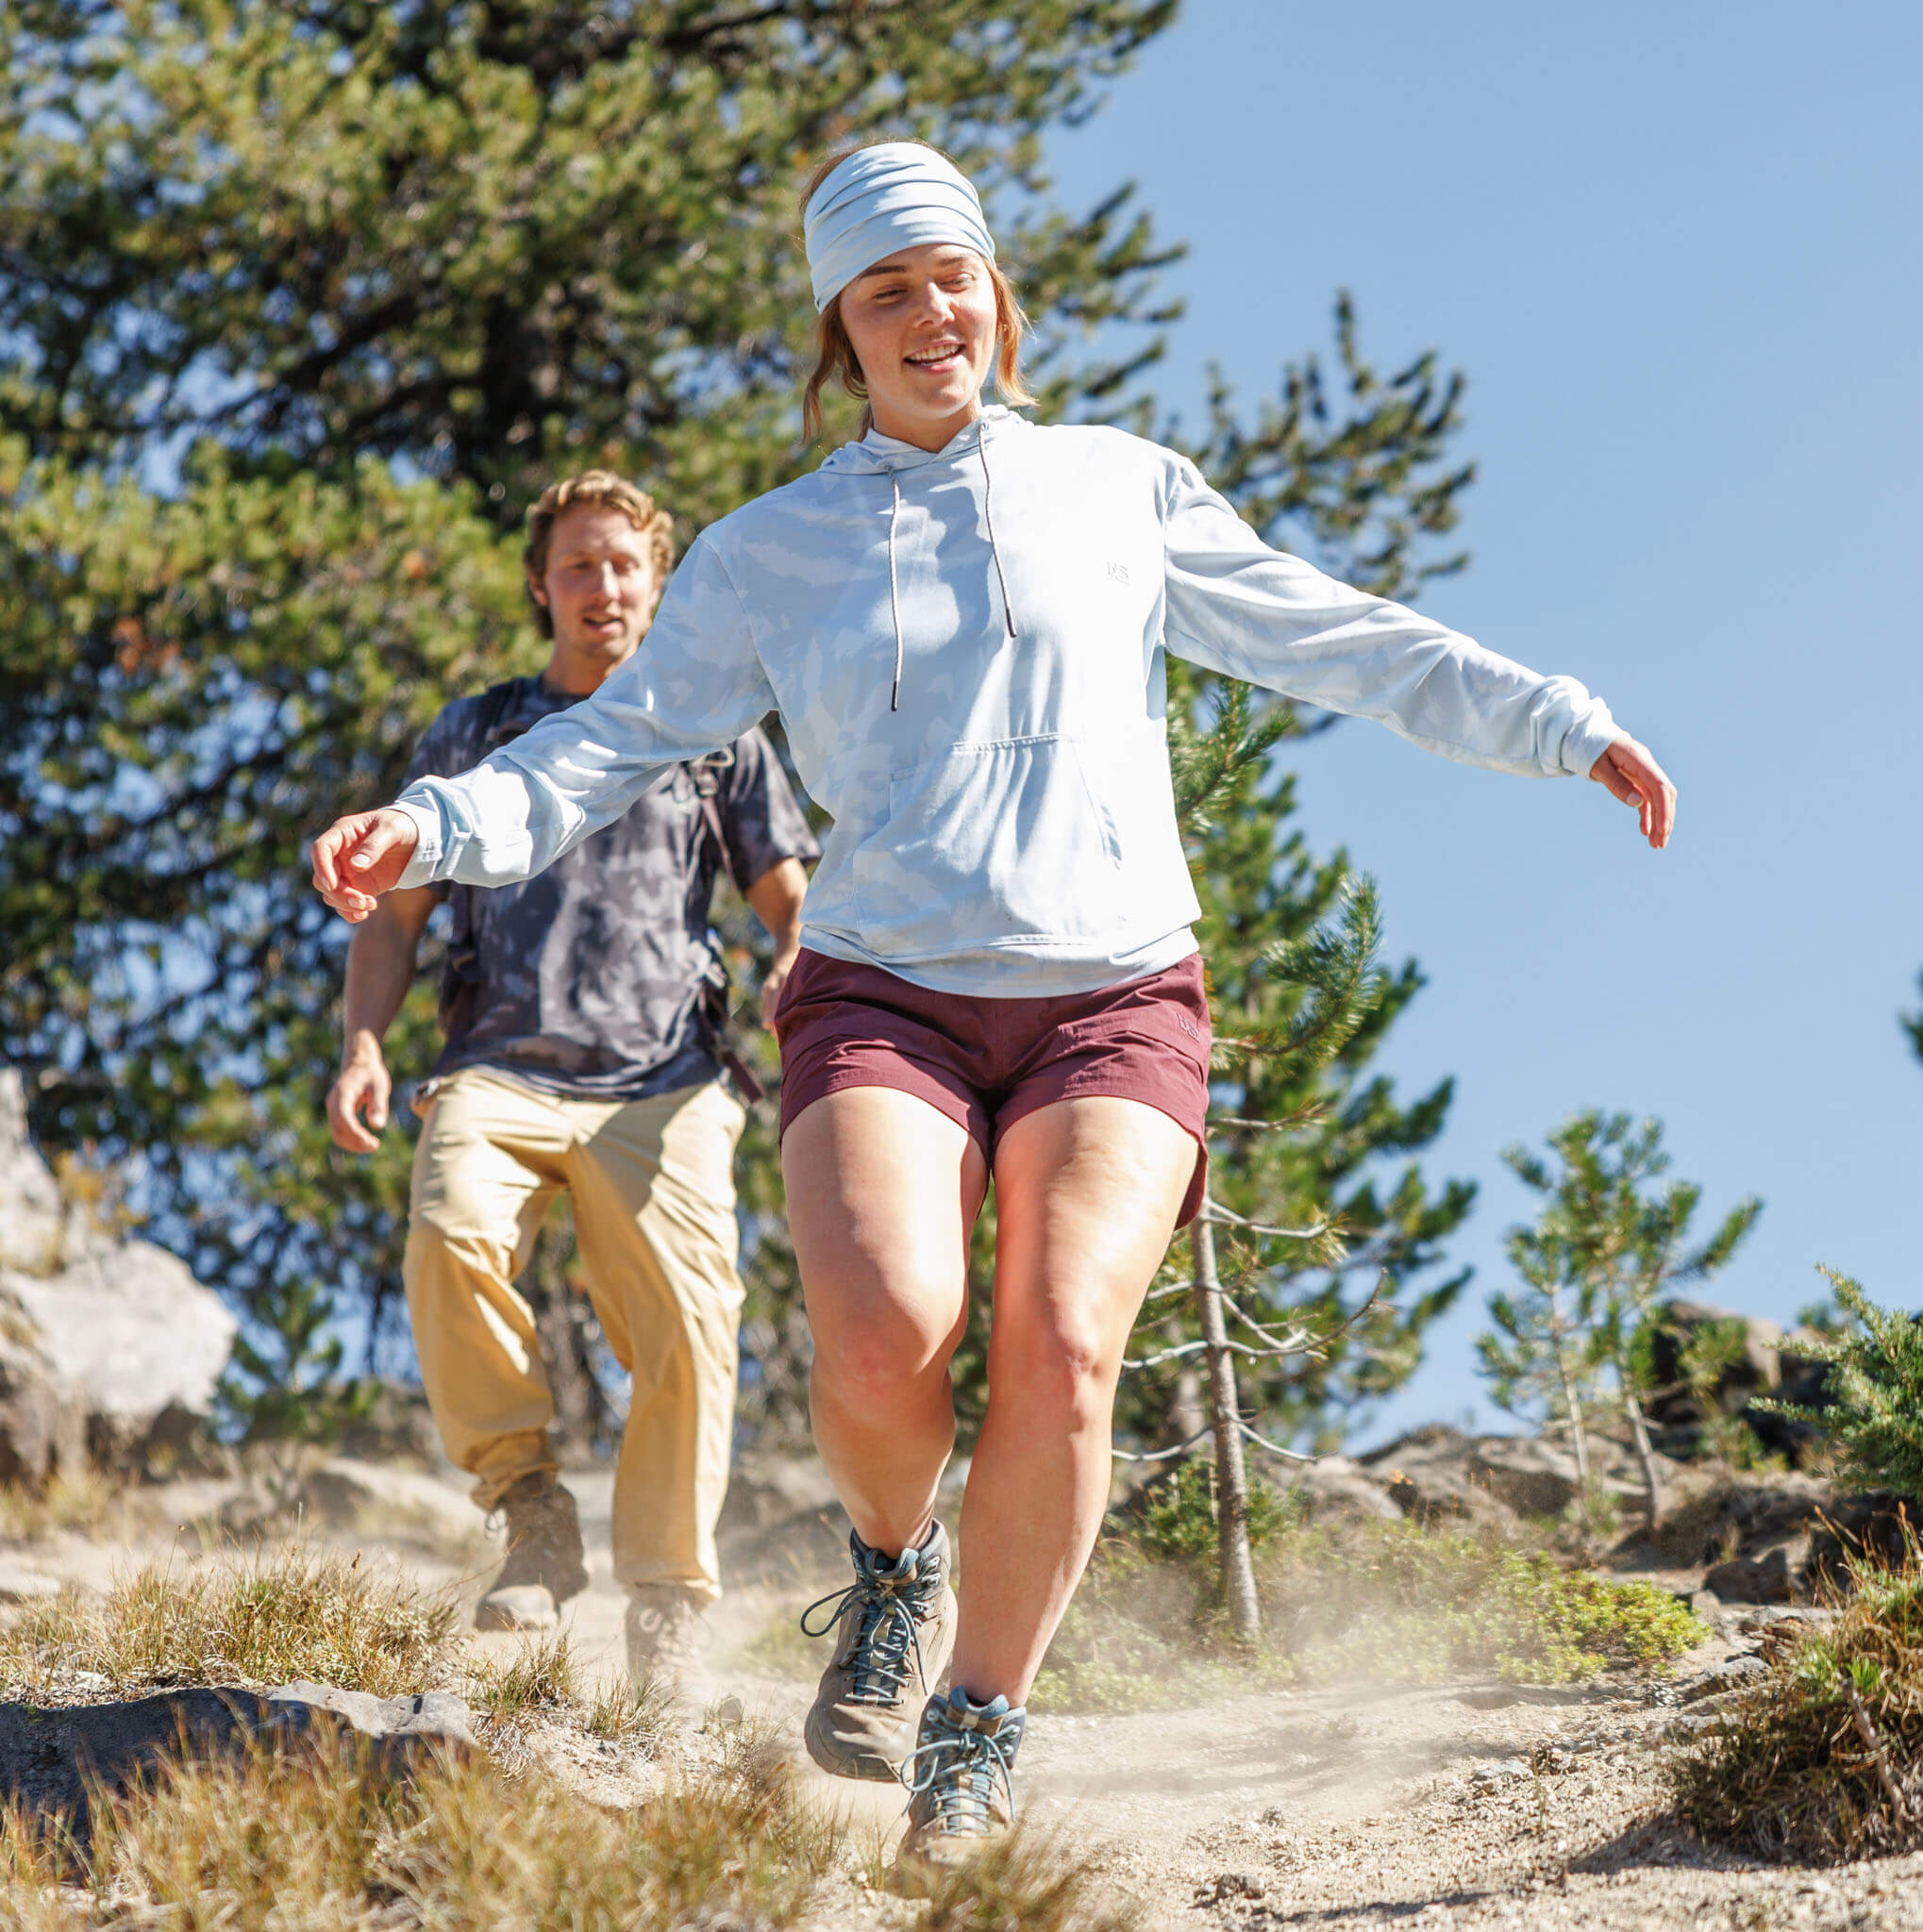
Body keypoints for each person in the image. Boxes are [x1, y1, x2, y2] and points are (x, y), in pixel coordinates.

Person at [311, 143, 1675, 1881]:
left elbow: (1339, 637)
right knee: (884, 1331)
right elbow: (599, 748)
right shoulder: (763, 555)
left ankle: (976, 1721)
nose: (929, 313)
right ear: (840, 330)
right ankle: (895, 1568)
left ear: (996, 297)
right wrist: (431, 822)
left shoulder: (1119, 489)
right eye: (887, 291)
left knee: (1064, 1339)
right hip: (888, 991)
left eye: (952, 278)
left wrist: (1555, 719)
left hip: (1115, 990)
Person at [323, 469, 817, 1685]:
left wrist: (794, 971)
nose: (603, 587)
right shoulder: (479, 731)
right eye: (579, 567)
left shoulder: (718, 737)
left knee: (693, 1324)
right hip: (497, 1063)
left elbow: (791, 901)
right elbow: (391, 919)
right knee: (447, 1238)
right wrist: (365, 1046)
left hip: (668, 1077)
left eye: (624, 566)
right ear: (544, 586)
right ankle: (531, 1510)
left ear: (658, 585)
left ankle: (666, 1599)